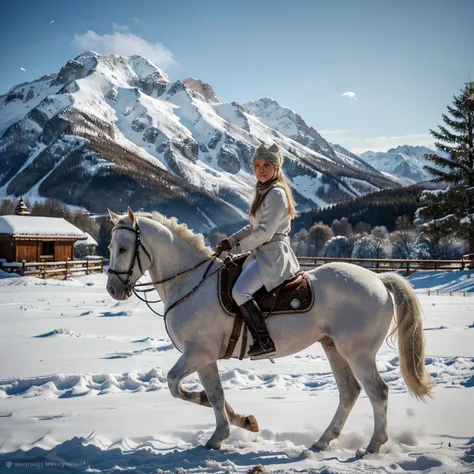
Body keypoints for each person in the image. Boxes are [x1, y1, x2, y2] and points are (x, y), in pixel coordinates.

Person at [217, 143, 300, 359]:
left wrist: (236, 249)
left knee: (239, 292)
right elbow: (252, 227)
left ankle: (264, 340)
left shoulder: (276, 194)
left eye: (266, 165)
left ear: (277, 168)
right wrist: (231, 241)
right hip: (262, 253)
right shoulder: (263, 190)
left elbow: (263, 233)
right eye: (256, 165)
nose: (260, 169)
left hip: (273, 255)